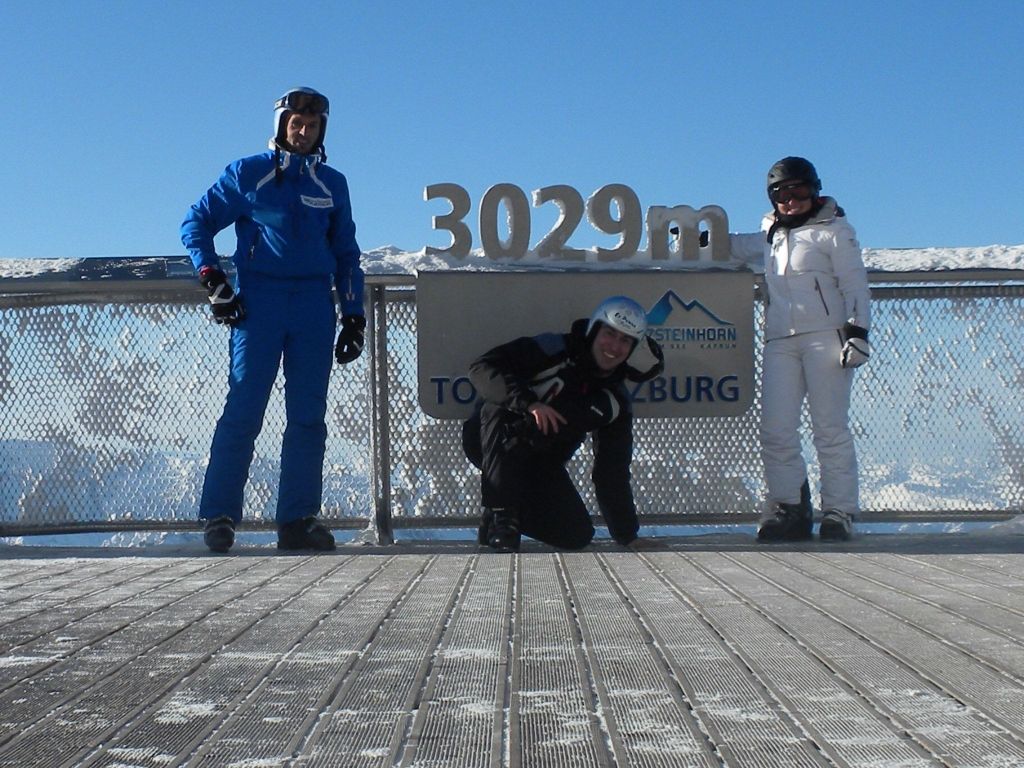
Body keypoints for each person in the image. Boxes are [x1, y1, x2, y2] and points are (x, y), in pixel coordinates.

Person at [181, 87, 366, 553]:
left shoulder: (333, 184)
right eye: (296, 124)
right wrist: (214, 279)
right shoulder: (249, 173)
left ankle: (298, 520)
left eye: (313, 126)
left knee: (308, 417)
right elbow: (195, 223)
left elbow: (346, 254)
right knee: (244, 408)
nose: (303, 133)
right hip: (258, 303)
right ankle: (219, 516)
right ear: (283, 124)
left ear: (322, 129)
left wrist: (354, 316)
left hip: (313, 308)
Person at [735, 157, 871, 541]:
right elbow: (739, 247)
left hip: (826, 336)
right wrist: (701, 239)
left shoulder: (834, 231)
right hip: (780, 339)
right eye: (781, 193)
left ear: (815, 190)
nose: (791, 200)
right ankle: (789, 507)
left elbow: (855, 283)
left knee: (829, 429)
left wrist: (858, 332)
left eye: (799, 190)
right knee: (776, 428)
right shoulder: (771, 232)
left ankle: (839, 511)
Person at [462, 296, 664, 552]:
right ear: (594, 330)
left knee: (577, 535)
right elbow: (482, 368)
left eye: (625, 340)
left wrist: (627, 535)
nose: (614, 345)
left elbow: (611, 470)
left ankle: (498, 514)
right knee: (495, 407)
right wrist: (529, 404)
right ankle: (502, 514)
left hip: (542, 466)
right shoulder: (553, 347)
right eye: (609, 333)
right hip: (490, 444)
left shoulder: (615, 402)